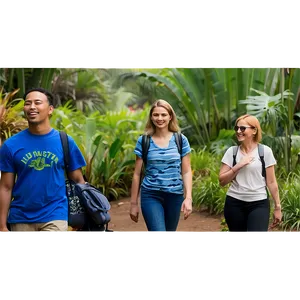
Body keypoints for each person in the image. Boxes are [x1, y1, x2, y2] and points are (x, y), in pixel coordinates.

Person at [0, 87, 86, 235]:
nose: (32, 107)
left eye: (37, 102)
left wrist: (83, 216)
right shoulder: (11, 145)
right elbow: (6, 187)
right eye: (28, 103)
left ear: (50, 109)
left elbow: (79, 180)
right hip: (21, 217)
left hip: (55, 214)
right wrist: (2, 226)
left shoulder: (64, 141)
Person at [129, 99, 193, 235]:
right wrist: (133, 203)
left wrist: (188, 198)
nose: (160, 118)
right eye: (156, 115)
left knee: (170, 233)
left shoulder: (181, 140)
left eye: (163, 115)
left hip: (175, 195)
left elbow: (186, 171)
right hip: (151, 194)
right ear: (151, 117)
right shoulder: (144, 140)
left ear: (170, 117)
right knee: (158, 234)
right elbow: (137, 174)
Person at [219, 114, 282, 240]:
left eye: (243, 128)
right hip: (234, 203)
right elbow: (222, 181)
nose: (238, 131)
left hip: (259, 203)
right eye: (237, 128)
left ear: (254, 130)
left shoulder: (265, 152)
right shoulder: (232, 152)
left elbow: (271, 182)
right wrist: (239, 165)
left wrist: (278, 207)